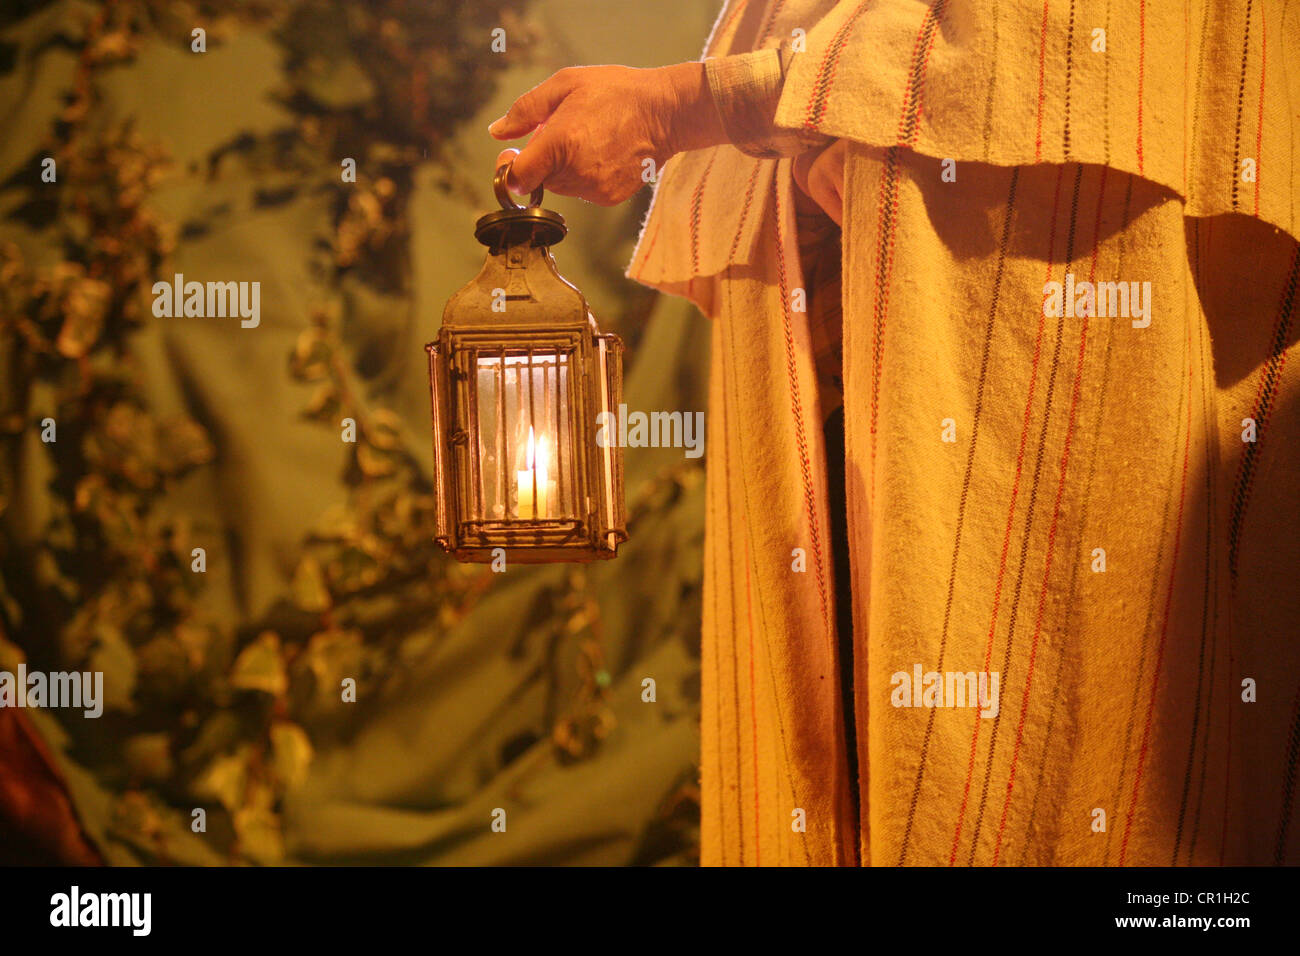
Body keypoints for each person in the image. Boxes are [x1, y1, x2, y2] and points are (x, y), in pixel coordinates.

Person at [490, 0, 1300, 867]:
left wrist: (692, 104)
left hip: (1032, 267)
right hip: (843, 291)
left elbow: (1047, 47)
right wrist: (810, 129)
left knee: (1045, 748)